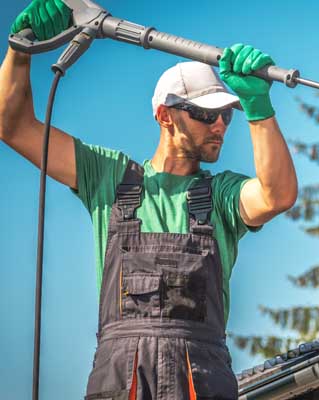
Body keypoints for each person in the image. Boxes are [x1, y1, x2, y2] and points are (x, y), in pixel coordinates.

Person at [0, 0, 298, 398]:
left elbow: (276, 196)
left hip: (201, 378)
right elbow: (13, 126)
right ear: (165, 116)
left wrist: (258, 108)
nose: (221, 126)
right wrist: (20, 50)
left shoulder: (221, 196)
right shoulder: (108, 177)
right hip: (121, 379)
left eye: (227, 115)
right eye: (206, 115)